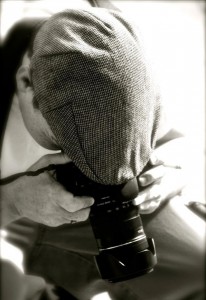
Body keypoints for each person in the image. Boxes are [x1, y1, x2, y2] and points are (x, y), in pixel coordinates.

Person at [0, 4, 205, 300]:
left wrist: (173, 166)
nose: (78, 160)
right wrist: (13, 202)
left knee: (198, 270)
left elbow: (177, 141)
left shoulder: (116, 47)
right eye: (68, 143)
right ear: (25, 82)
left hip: (106, 207)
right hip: (11, 212)